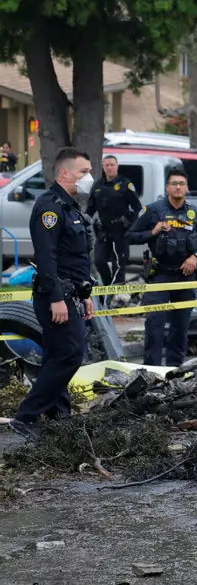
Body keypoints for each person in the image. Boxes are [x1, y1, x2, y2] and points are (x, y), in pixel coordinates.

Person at [9, 148, 95, 439]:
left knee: (58, 354)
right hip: (53, 295)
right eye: (84, 172)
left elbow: (75, 258)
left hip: (71, 293)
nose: (89, 177)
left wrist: (85, 293)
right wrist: (57, 297)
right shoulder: (50, 207)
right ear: (65, 173)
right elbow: (47, 258)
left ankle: (59, 415)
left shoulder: (71, 208)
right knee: (70, 354)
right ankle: (26, 416)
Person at [126, 166, 197, 366]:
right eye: (174, 183)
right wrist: (153, 231)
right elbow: (129, 236)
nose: (178, 187)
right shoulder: (154, 210)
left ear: (187, 188)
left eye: (181, 184)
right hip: (160, 276)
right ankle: (152, 371)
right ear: (167, 188)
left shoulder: (195, 213)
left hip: (185, 277)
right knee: (154, 324)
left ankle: (175, 370)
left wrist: (196, 257)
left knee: (180, 327)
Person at [86, 154, 141, 285]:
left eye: (112, 165)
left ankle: (117, 297)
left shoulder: (125, 184)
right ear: (103, 167)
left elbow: (137, 208)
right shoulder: (97, 186)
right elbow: (90, 209)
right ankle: (107, 286)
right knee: (99, 260)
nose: (110, 168)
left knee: (119, 265)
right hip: (103, 230)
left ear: (117, 166)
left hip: (120, 231)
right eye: (107, 165)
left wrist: (131, 225)